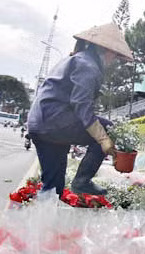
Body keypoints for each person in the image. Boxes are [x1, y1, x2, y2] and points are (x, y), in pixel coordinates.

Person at [26, 24, 136, 198]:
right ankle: (82, 181)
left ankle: (41, 221)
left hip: (39, 124)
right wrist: (104, 139)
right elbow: (81, 105)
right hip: (54, 122)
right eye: (114, 55)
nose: (113, 60)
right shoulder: (88, 66)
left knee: (53, 187)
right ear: (104, 49)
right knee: (108, 127)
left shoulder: (76, 59)